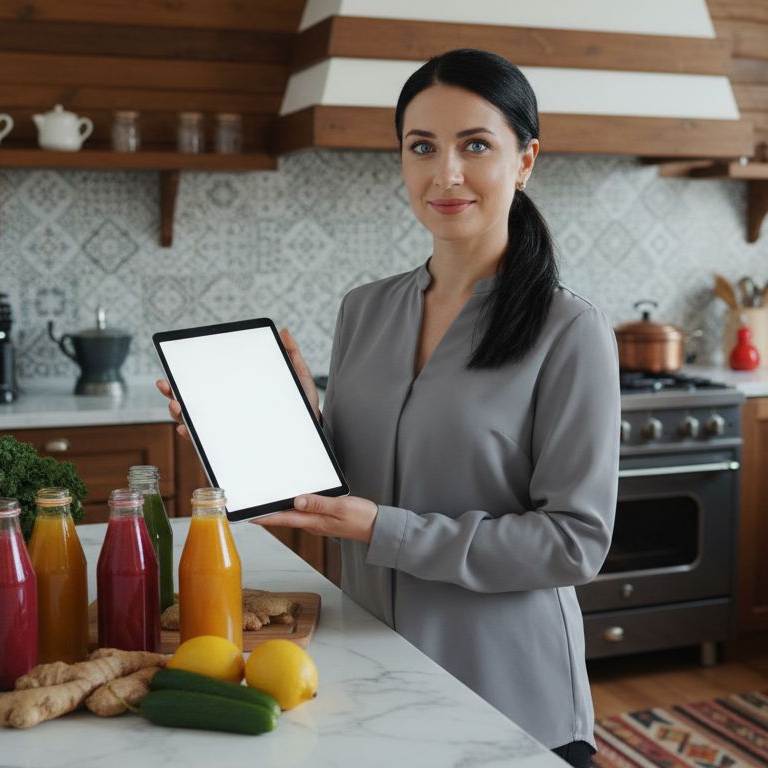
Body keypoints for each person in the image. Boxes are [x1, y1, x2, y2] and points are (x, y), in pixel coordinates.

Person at [157, 48, 619, 766]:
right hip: (371, 677)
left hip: (509, 695)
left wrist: (386, 530)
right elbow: (356, 481)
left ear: (525, 160)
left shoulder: (570, 330)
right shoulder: (364, 310)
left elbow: (573, 544)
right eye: (421, 147)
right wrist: (274, 428)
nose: (446, 174)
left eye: (475, 146)